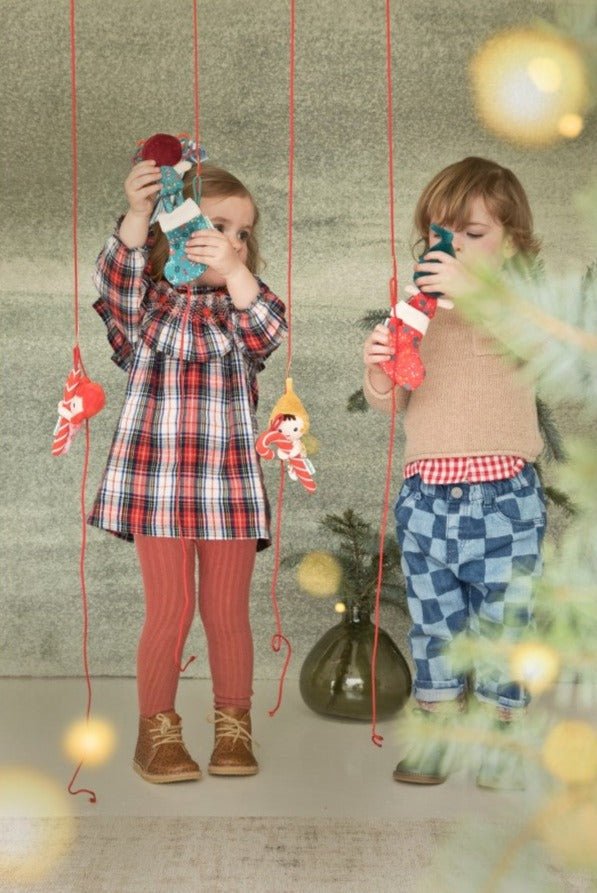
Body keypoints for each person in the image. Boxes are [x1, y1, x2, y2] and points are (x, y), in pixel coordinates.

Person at [88, 146, 287, 783]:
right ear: (178, 227)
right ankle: (157, 730)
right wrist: (138, 210)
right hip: (157, 487)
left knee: (227, 612)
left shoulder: (243, 313)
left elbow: (269, 328)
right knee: (169, 610)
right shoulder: (146, 310)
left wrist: (233, 271)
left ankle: (235, 725)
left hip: (227, 488)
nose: (232, 242)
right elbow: (113, 279)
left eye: (243, 234)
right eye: (218, 227)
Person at [363, 157, 546, 789]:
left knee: (504, 620)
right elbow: (394, 401)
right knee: (433, 619)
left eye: (474, 234)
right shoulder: (420, 312)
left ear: (514, 243)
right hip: (428, 498)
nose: (456, 247)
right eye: (444, 234)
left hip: (504, 499)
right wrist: (382, 364)